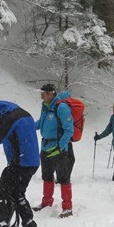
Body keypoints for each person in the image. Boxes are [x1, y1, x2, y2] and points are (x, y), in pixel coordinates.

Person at [0, 101, 40, 227]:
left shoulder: (10, 118)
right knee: (18, 193)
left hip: (19, 163)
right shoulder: (25, 114)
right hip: (32, 162)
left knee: (1, 192)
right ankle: (30, 225)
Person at [34, 83, 75, 218]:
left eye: (43, 94)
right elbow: (40, 123)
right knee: (47, 176)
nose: (41, 96)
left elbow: (69, 129)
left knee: (63, 178)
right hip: (45, 147)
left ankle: (67, 208)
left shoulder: (61, 107)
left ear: (51, 94)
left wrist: (61, 146)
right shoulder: (45, 107)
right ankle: (46, 203)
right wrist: (25, 125)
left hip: (60, 150)